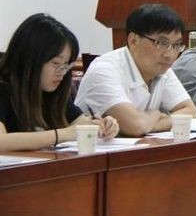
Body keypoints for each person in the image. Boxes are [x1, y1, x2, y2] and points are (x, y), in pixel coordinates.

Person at [75, 4, 196, 137]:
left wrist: (150, 123)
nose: (170, 54)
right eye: (162, 43)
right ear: (133, 41)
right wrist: (156, 116)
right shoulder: (104, 70)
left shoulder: (161, 68)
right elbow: (135, 126)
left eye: (176, 45)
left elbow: (192, 113)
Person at [0, 14, 118, 151]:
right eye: (55, 63)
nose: (62, 72)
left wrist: (101, 125)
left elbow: (79, 122)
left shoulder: (52, 90)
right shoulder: (3, 87)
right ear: (30, 59)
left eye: (66, 65)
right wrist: (63, 134)